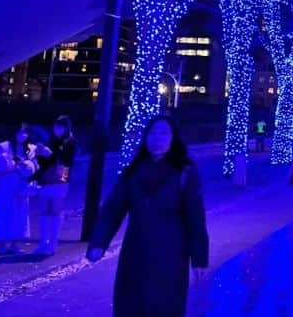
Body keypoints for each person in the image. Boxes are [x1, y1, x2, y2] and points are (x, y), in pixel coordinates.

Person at [87, 115, 208, 317]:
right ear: (146, 137)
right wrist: (98, 243)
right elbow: (113, 209)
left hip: (171, 253)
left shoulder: (185, 172)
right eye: (153, 132)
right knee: (131, 304)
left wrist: (199, 258)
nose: (157, 137)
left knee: (164, 304)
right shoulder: (134, 171)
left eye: (163, 133)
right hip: (136, 251)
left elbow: (195, 219)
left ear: (173, 138)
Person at [0, 122, 41, 254]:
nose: (22, 136)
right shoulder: (4, 146)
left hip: (22, 184)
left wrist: (28, 166)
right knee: (4, 213)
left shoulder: (31, 149)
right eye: (19, 132)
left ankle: (15, 243)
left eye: (25, 133)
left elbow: (37, 167)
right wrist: (6, 162)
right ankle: (2, 244)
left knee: (20, 214)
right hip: (6, 184)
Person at [31, 115, 76, 255]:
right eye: (56, 126)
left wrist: (51, 154)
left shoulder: (70, 141)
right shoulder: (51, 141)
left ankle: (53, 243)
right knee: (44, 211)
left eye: (60, 126)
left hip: (60, 179)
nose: (57, 129)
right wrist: (40, 153)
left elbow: (66, 162)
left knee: (55, 211)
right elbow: (43, 163)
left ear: (66, 127)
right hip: (46, 179)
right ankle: (43, 242)